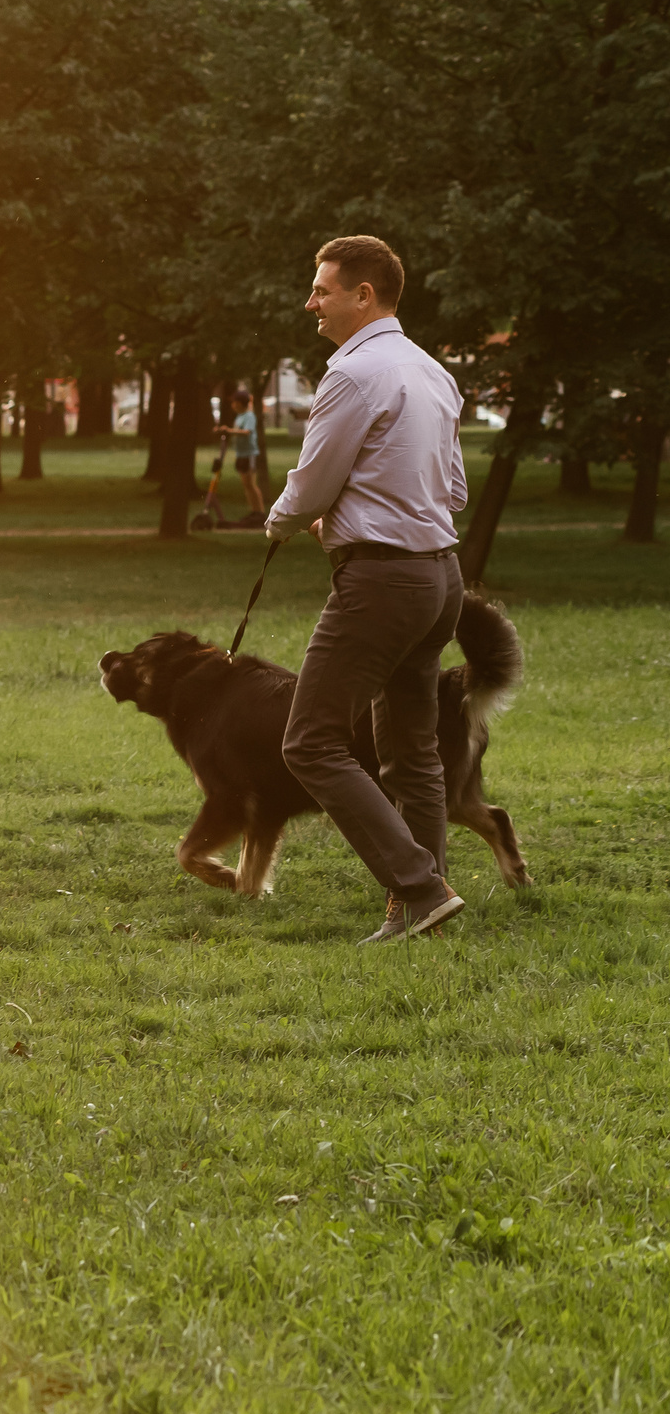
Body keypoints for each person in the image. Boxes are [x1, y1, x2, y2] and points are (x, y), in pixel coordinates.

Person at [268, 234, 470, 943]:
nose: (310, 302)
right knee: (411, 751)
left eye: (322, 289)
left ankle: (419, 884)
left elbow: (314, 482)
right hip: (441, 578)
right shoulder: (433, 372)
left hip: (383, 581)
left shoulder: (352, 376)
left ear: (364, 295)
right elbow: (456, 489)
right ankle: (419, 908)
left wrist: (280, 519)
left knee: (311, 741)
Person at [215, 391, 267, 516]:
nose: (232, 405)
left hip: (249, 454)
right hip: (240, 454)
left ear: (239, 403)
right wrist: (225, 430)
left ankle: (260, 512)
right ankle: (253, 511)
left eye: (234, 402)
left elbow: (247, 432)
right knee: (246, 485)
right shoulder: (239, 417)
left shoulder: (249, 416)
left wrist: (230, 431)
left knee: (251, 484)